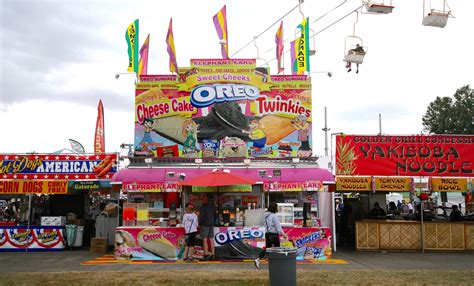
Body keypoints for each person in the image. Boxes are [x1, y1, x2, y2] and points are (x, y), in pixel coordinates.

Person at [254, 202, 288, 269]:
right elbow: (278, 227)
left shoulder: (265, 216)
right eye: (276, 207)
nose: (277, 208)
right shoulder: (274, 216)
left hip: (267, 234)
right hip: (274, 234)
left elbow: (262, 223)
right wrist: (283, 234)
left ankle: (258, 259)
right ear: (274, 208)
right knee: (277, 249)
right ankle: (278, 264)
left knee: (268, 248)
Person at [199, 195, 216, 260]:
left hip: (205, 225)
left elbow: (202, 217)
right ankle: (213, 255)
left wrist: (200, 223)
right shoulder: (212, 206)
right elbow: (215, 215)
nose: (201, 201)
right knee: (211, 239)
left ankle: (206, 255)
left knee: (205, 240)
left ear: (204, 200)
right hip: (211, 224)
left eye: (202, 200)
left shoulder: (202, 207)